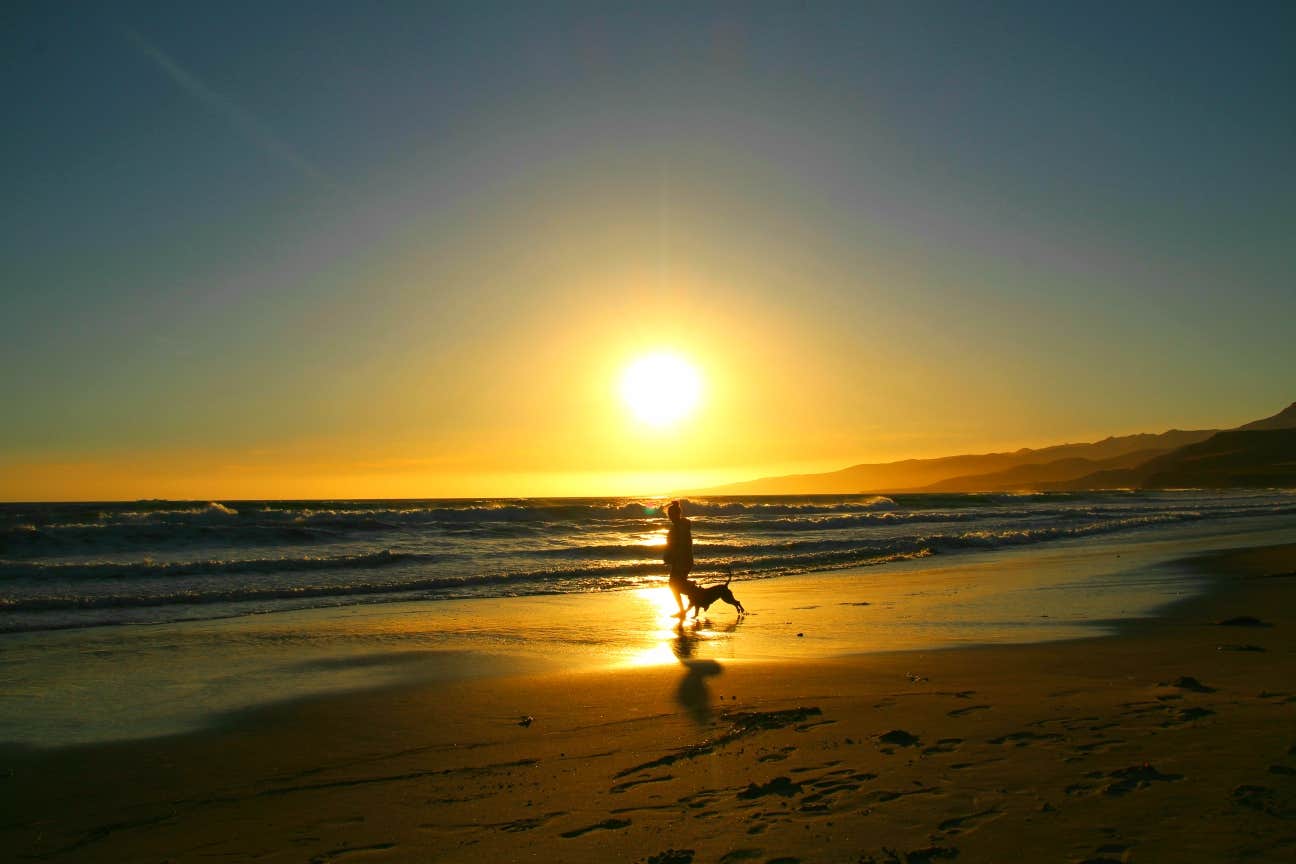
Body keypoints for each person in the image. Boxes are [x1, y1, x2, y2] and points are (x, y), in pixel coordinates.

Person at [663, 500, 694, 618]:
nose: (670, 517)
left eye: (671, 515)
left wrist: (669, 557)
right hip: (686, 560)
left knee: (674, 585)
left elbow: (674, 546)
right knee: (677, 584)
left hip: (681, 562)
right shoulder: (684, 526)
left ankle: (695, 595)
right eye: (669, 515)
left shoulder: (677, 528)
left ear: (677, 514)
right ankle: (693, 595)